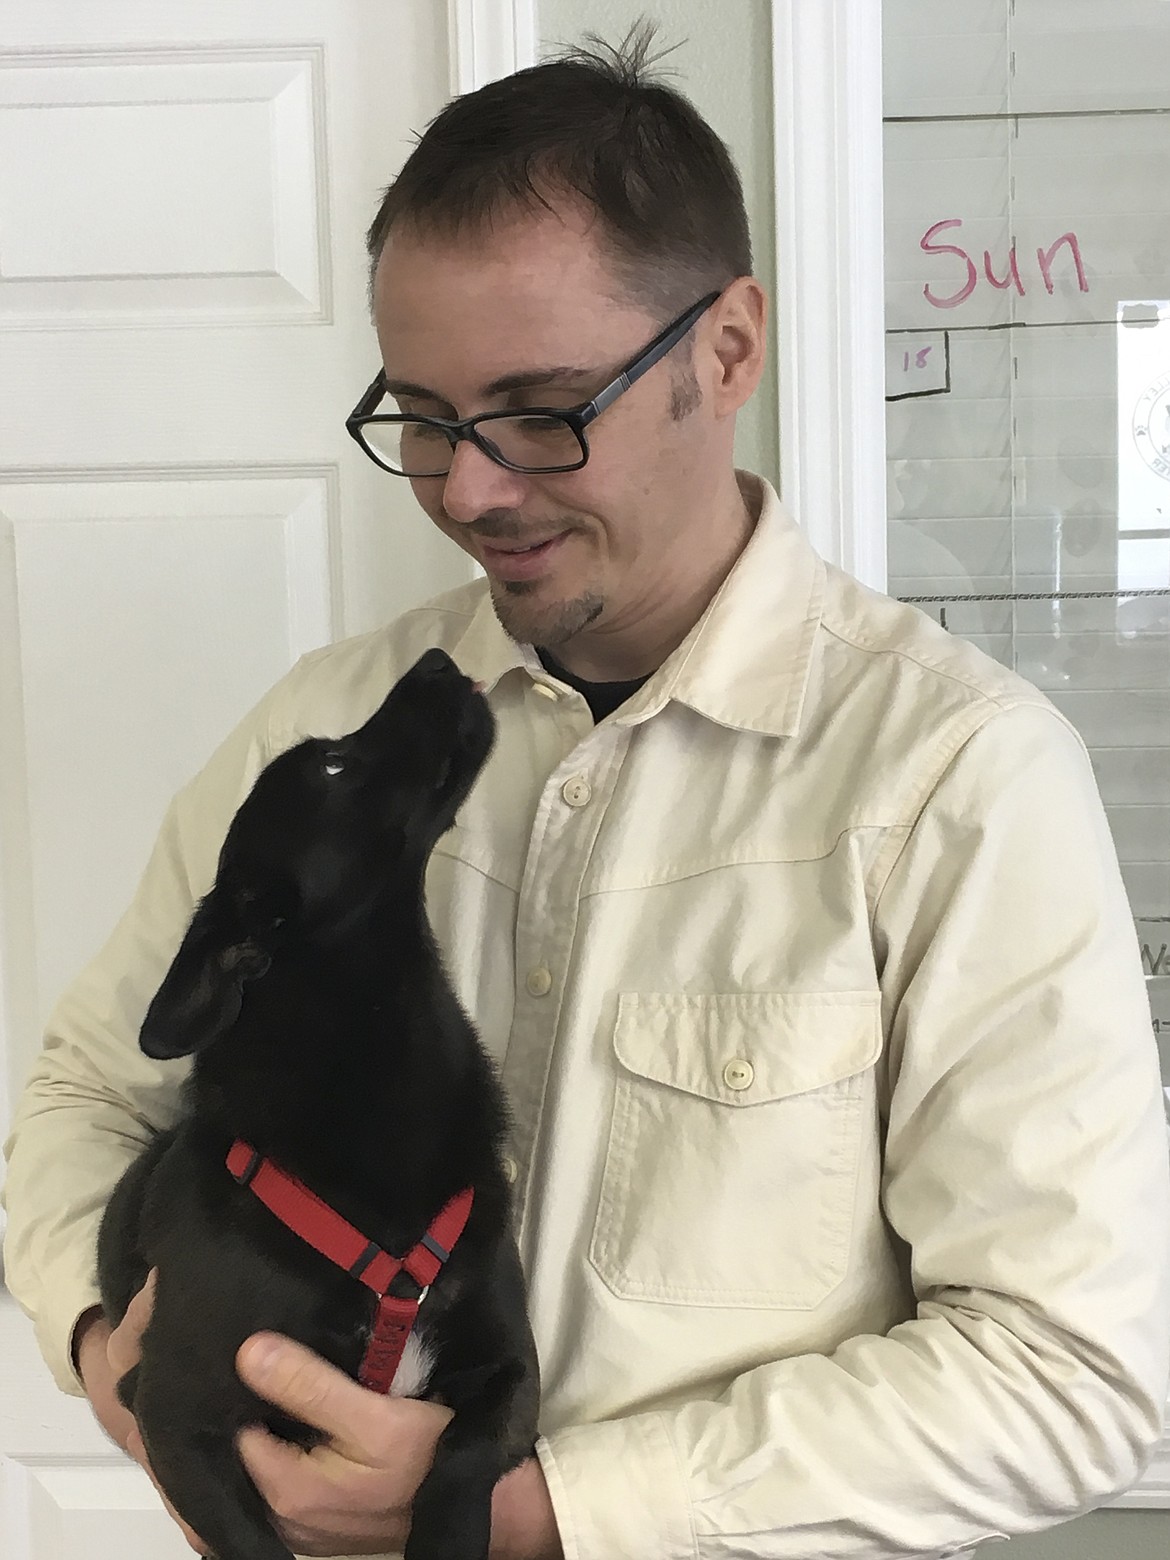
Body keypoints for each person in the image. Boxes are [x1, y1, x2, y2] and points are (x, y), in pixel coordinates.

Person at [4, 27, 1170, 1560]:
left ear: (727, 349)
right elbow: (88, 1097)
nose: (470, 489)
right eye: (421, 418)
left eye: (543, 408)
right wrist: (131, 1368)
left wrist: (511, 1517)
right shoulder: (327, 726)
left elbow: (1073, 1374)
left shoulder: (958, 778)